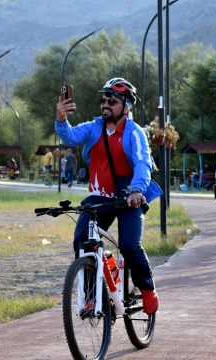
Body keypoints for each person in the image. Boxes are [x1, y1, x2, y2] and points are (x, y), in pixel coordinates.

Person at [56, 77, 162, 315]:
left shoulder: (134, 133)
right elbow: (70, 137)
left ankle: (147, 289)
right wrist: (61, 119)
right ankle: (90, 298)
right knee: (82, 240)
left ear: (126, 106)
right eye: (103, 100)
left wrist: (136, 190)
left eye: (111, 101)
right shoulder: (95, 127)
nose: (105, 104)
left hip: (129, 196)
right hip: (98, 197)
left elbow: (143, 163)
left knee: (129, 245)